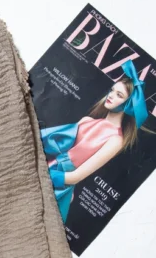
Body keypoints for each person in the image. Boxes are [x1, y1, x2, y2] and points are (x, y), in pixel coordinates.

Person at [41, 59, 149, 222]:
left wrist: (43, 174)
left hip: (56, 185)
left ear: (129, 105)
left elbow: (75, 177)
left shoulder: (116, 140)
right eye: (112, 90)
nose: (111, 95)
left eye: (119, 95)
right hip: (45, 167)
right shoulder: (87, 120)